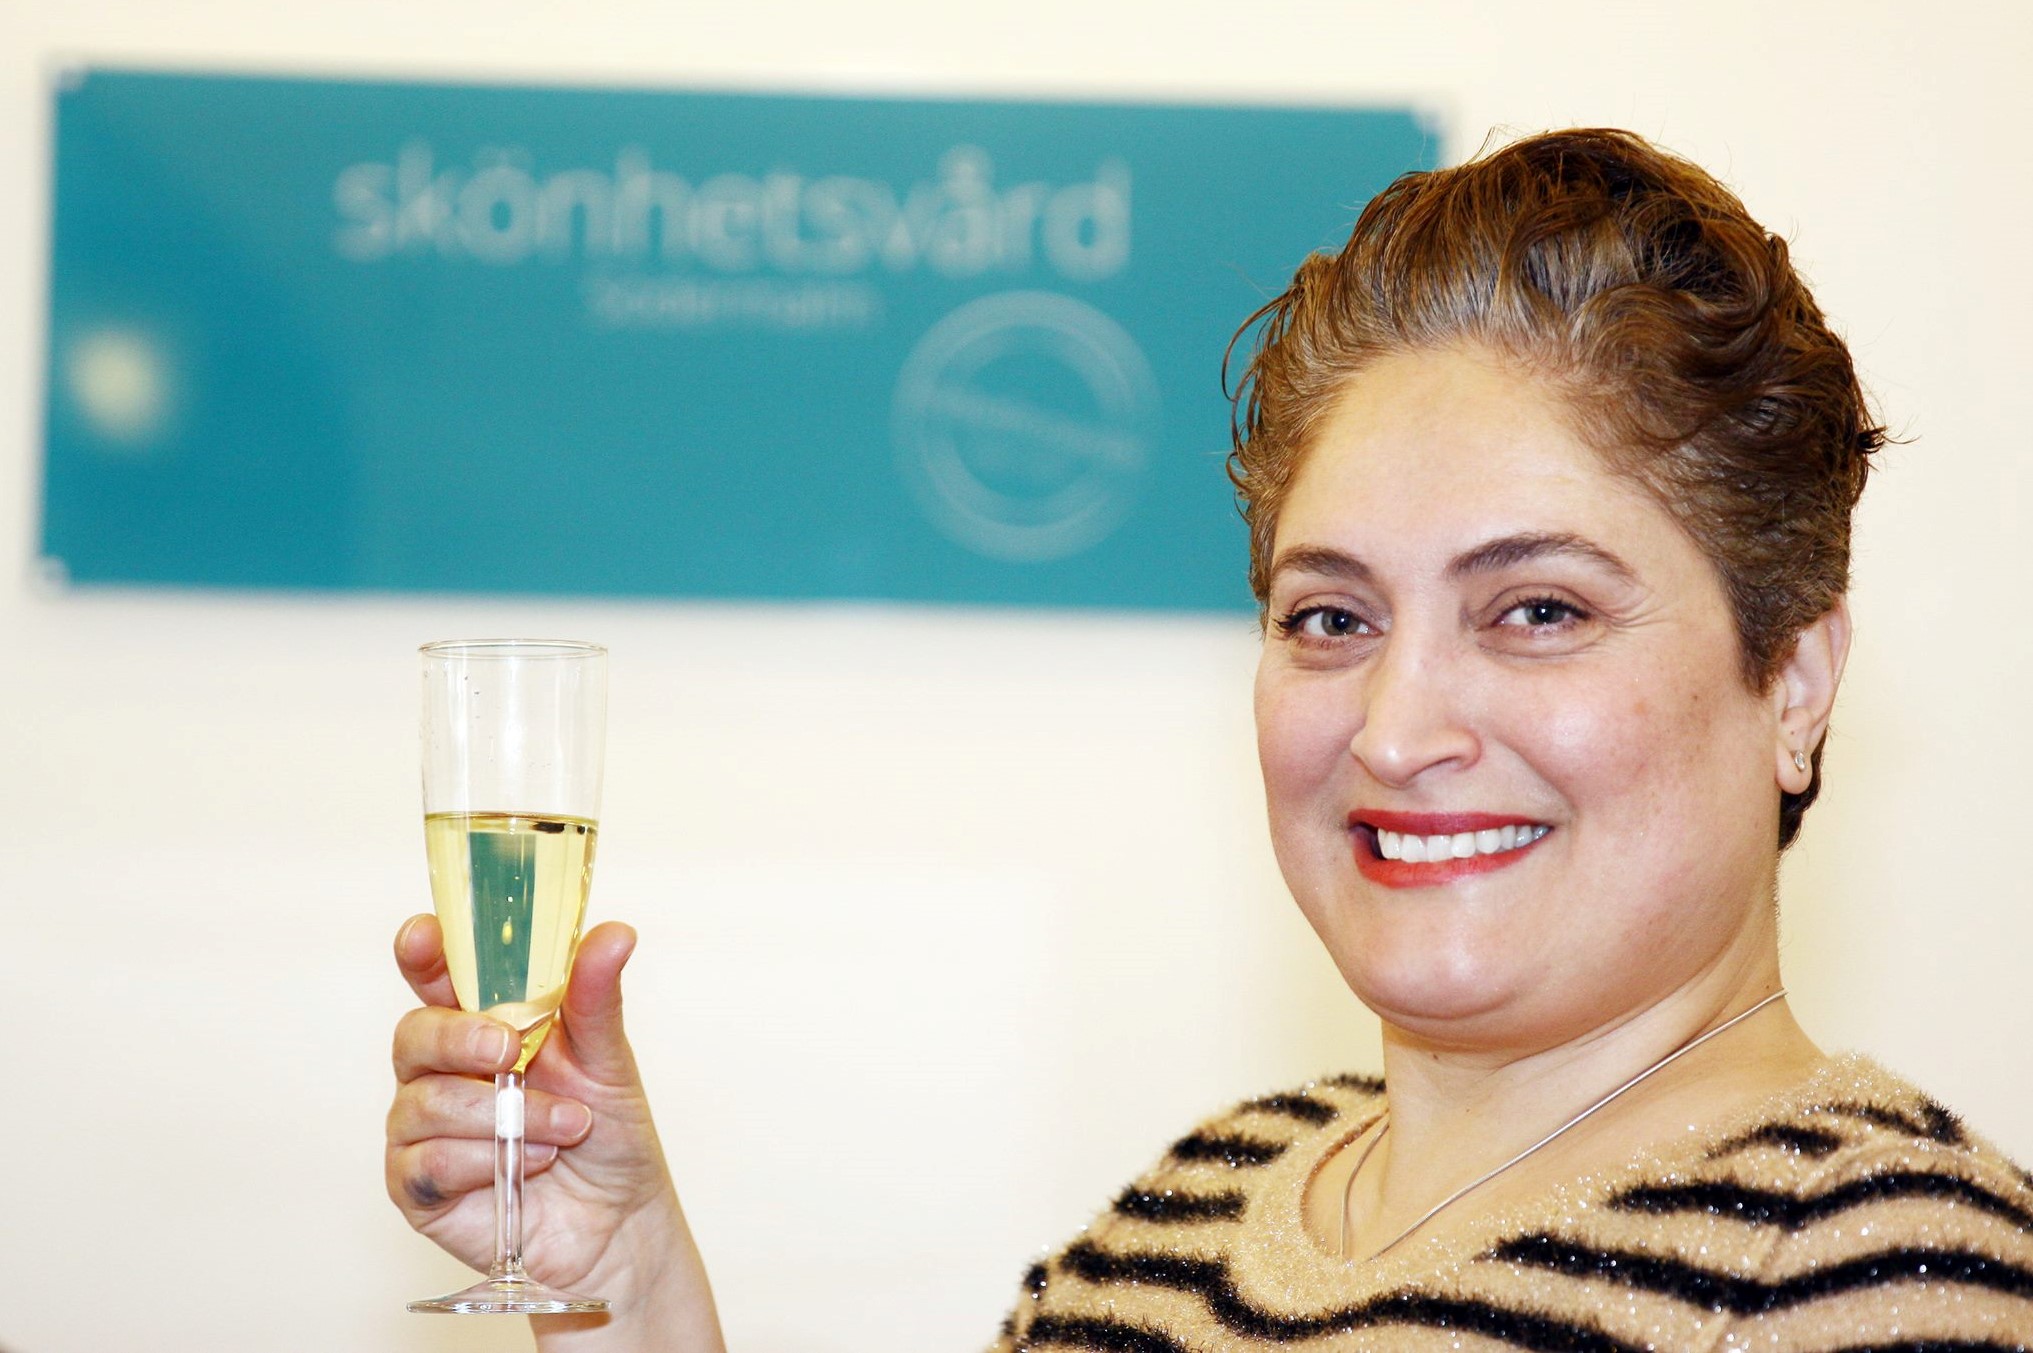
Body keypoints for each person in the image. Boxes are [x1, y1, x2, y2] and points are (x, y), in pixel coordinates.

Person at [386, 129, 2033, 1350]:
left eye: (1536, 608)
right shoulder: (1188, 1214)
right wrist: (622, 1281)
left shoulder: (1884, 1265)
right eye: (1329, 616)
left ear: (1792, 678)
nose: (1396, 727)